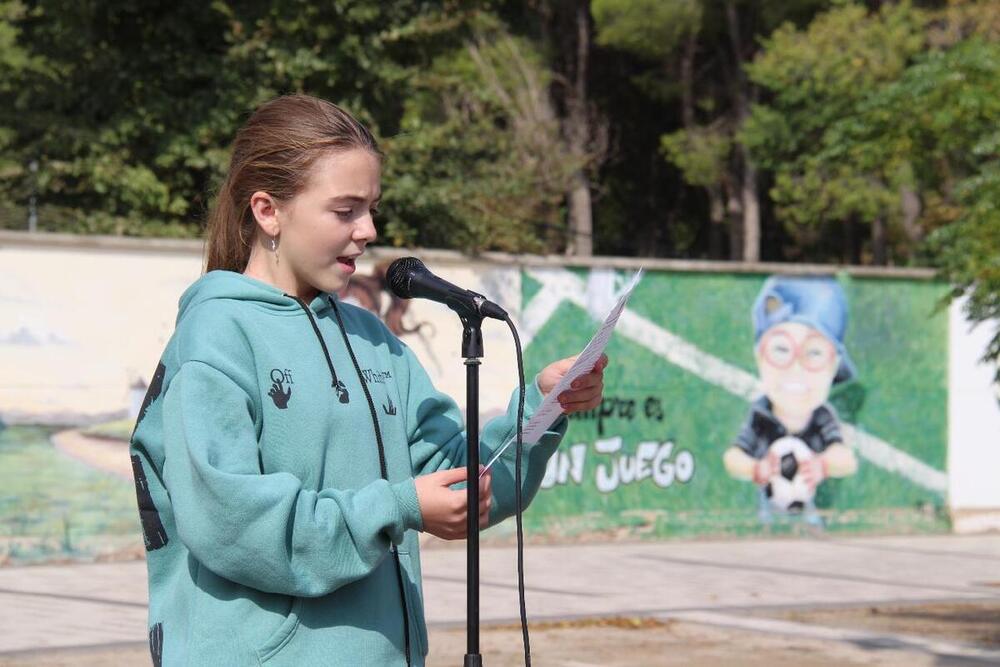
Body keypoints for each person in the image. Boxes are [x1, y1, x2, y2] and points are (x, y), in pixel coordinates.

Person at [128, 94, 607, 666]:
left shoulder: (372, 339)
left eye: (371, 208)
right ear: (267, 210)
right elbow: (234, 523)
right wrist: (397, 507)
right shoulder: (214, 336)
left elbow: (457, 485)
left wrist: (545, 410)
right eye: (345, 210)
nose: (369, 229)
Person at [722, 276, 858, 525]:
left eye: (814, 353)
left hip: (810, 512)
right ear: (759, 356)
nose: (796, 369)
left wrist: (823, 465)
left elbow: (846, 458)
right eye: (781, 350)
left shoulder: (820, 416)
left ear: (834, 366)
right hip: (767, 513)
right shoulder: (761, 413)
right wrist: (755, 469)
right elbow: (732, 456)